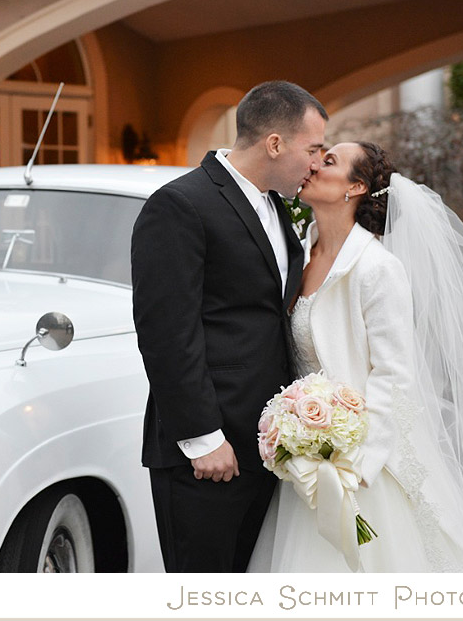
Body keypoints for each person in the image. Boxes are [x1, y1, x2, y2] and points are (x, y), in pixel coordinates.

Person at [248, 141, 463, 572]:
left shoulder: (377, 269)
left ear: (356, 187)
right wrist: (298, 434)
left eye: (329, 161)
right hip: (308, 459)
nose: (314, 164)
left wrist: (358, 464)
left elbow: (394, 375)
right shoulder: (298, 252)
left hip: (366, 460)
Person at [131, 80, 327, 572]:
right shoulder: (180, 204)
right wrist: (203, 438)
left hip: (267, 447)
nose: (316, 163)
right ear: (275, 143)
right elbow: (166, 333)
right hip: (209, 453)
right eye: (313, 148)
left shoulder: (277, 205)